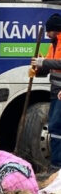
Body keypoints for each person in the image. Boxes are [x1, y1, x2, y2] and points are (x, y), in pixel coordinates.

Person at [30, 13, 61, 171]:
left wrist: (43, 61)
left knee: (56, 126)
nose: (47, 34)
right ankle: (56, 165)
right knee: (55, 127)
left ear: (56, 30)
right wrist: (38, 69)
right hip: (55, 90)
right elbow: (50, 66)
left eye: (49, 31)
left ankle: (56, 166)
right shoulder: (53, 44)